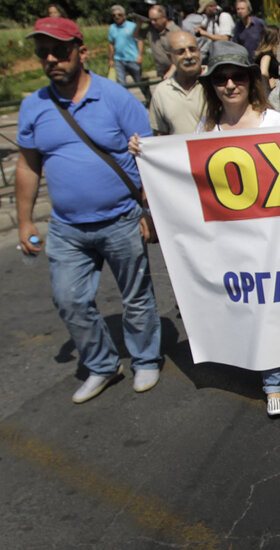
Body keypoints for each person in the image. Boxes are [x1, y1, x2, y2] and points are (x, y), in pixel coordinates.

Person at [133, 40, 280, 416]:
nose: (229, 85)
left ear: (250, 79)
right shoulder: (207, 127)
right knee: (254, 305)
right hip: (230, 236)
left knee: (275, 304)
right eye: (220, 78)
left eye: (237, 77)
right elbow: (187, 174)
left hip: (274, 234)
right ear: (211, 85)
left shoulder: (274, 122)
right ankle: (273, 370)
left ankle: (274, 377)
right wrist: (146, 154)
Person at [17, 17, 163, 404]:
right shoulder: (33, 106)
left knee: (136, 296)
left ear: (81, 52)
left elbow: (148, 158)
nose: (51, 59)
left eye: (59, 50)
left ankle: (146, 358)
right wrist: (25, 220)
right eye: (43, 52)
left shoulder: (117, 98)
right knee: (69, 300)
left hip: (122, 219)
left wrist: (149, 212)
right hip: (66, 228)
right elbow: (28, 166)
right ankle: (102, 365)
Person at [148, 30, 206, 134]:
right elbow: (161, 134)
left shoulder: (219, 83)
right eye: (181, 52)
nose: (188, 56)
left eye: (192, 49)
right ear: (170, 57)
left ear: (199, 51)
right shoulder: (162, 92)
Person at [108, 5, 150, 101]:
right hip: (119, 59)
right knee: (122, 85)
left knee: (139, 81)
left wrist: (140, 55)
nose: (116, 17)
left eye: (119, 14)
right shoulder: (112, 28)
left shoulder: (132, 26)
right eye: (114, 15)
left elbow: (139, 41)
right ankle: (126, 103)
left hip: (132, 58)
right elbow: (111, 44)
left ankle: (149, 99)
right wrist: (110, 59)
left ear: (124, 15)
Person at [145, 5, 180, 80]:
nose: (152, 22)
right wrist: (138, 22)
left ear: (164, 17)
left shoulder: (175, 31)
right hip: (163, 73)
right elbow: (136, 36)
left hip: (177, 72)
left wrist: (172, 70)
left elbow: (181, 54)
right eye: (150, 20)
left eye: (155, 20)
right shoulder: (151, 31)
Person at [256, 25, 280, 110]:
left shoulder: (261, 54)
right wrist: (268, 85)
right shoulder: (267, 54)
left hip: (263, 87)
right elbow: (263, 71)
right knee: (275, 111)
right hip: (270, 89)